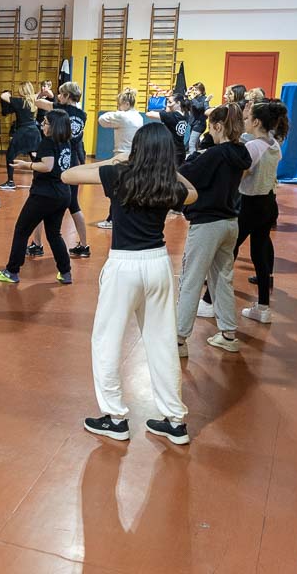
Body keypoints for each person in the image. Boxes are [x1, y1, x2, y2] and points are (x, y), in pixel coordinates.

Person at [61, 123, 198, 445]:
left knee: (106, 339)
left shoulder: (119, 175)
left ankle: (114, 417)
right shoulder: (168, 184)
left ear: (136, 148)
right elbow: (193, 193)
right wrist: (171, 171)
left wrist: (116, 161)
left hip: (124, 265)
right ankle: (175, 421)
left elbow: (69, 175)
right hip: (158, 264)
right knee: (162, 342)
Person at [202, 100, 288, 324]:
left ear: (257, 122)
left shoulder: (253, 147)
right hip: (268, 203)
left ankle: (209, 301)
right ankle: (263, 307)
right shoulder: (274, 145)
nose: (245, 122)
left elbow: (241, 173)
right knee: (259, 254)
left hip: (249, 204)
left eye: (248, 119)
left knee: (227, 251)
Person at [176, 104, 252, 357]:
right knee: (222, 279)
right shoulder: (240, 152)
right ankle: (228, 333)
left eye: (211, 127)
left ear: (218, 127)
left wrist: (195, 156)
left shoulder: (213, 155)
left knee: (191, 280)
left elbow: (184, 176)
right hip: (230, 222)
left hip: (207, 224)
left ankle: (178, 339)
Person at [0, 109, 74, 285]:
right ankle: (65, 271)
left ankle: (12, 271)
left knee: (22, 230)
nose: (42, 125)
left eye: (45, 123)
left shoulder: (48, 141)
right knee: (54, 234)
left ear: (53, 126)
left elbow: (47, 166)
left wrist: (27, 164)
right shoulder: (66, 142)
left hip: (44, 195)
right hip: (62, 194)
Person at [32, 81, 90, 258]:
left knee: (39, 201)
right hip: (71, 158)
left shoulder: (59, 109)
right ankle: (84, 245)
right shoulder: (83, 114)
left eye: (60, 94)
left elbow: (36, 102)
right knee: (74, 205)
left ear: (66, 96)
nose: (57, 96)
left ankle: (37, 244)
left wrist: (43, 94)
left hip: (55, 155)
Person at [96, 88, 143, 229]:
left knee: (116, 190)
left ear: (126, 104)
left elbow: (101, 120)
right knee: (129, 189)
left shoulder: (122, 116)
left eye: (120, 104)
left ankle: (112, 219)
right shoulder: (139, 116)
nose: (118, 107)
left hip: (121, 157)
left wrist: (117, 112)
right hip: (135, 156)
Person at [0, 81, 40, 190]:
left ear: (22, 90)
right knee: (35, 157)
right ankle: (39, 181)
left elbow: (3, 96)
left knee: (10, 156)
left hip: (23, 132)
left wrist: (9, 94)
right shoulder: (34, 100)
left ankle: (10, 181)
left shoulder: (19, 101)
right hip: (34, 132)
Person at [146, 92, 189, 167]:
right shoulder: (186, 114)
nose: (167, 104)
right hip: (181, 150)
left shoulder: (171, 116)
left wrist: (153, 101)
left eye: (170, 102)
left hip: (172, 151)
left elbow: (149, 114)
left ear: (178, 103)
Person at [186, 82, 212, 155]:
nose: (194, 91)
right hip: (193, 124)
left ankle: (192, 159)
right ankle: (196, 158)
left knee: (191, 143)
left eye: (196, 90)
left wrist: (193, 98)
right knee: (196, 144)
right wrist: (187, 94)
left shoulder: (204, 98)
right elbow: (185, 104)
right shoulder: (194, 98)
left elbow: (199, 107)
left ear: (201, 90)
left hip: (200, 124)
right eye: (193, 90)